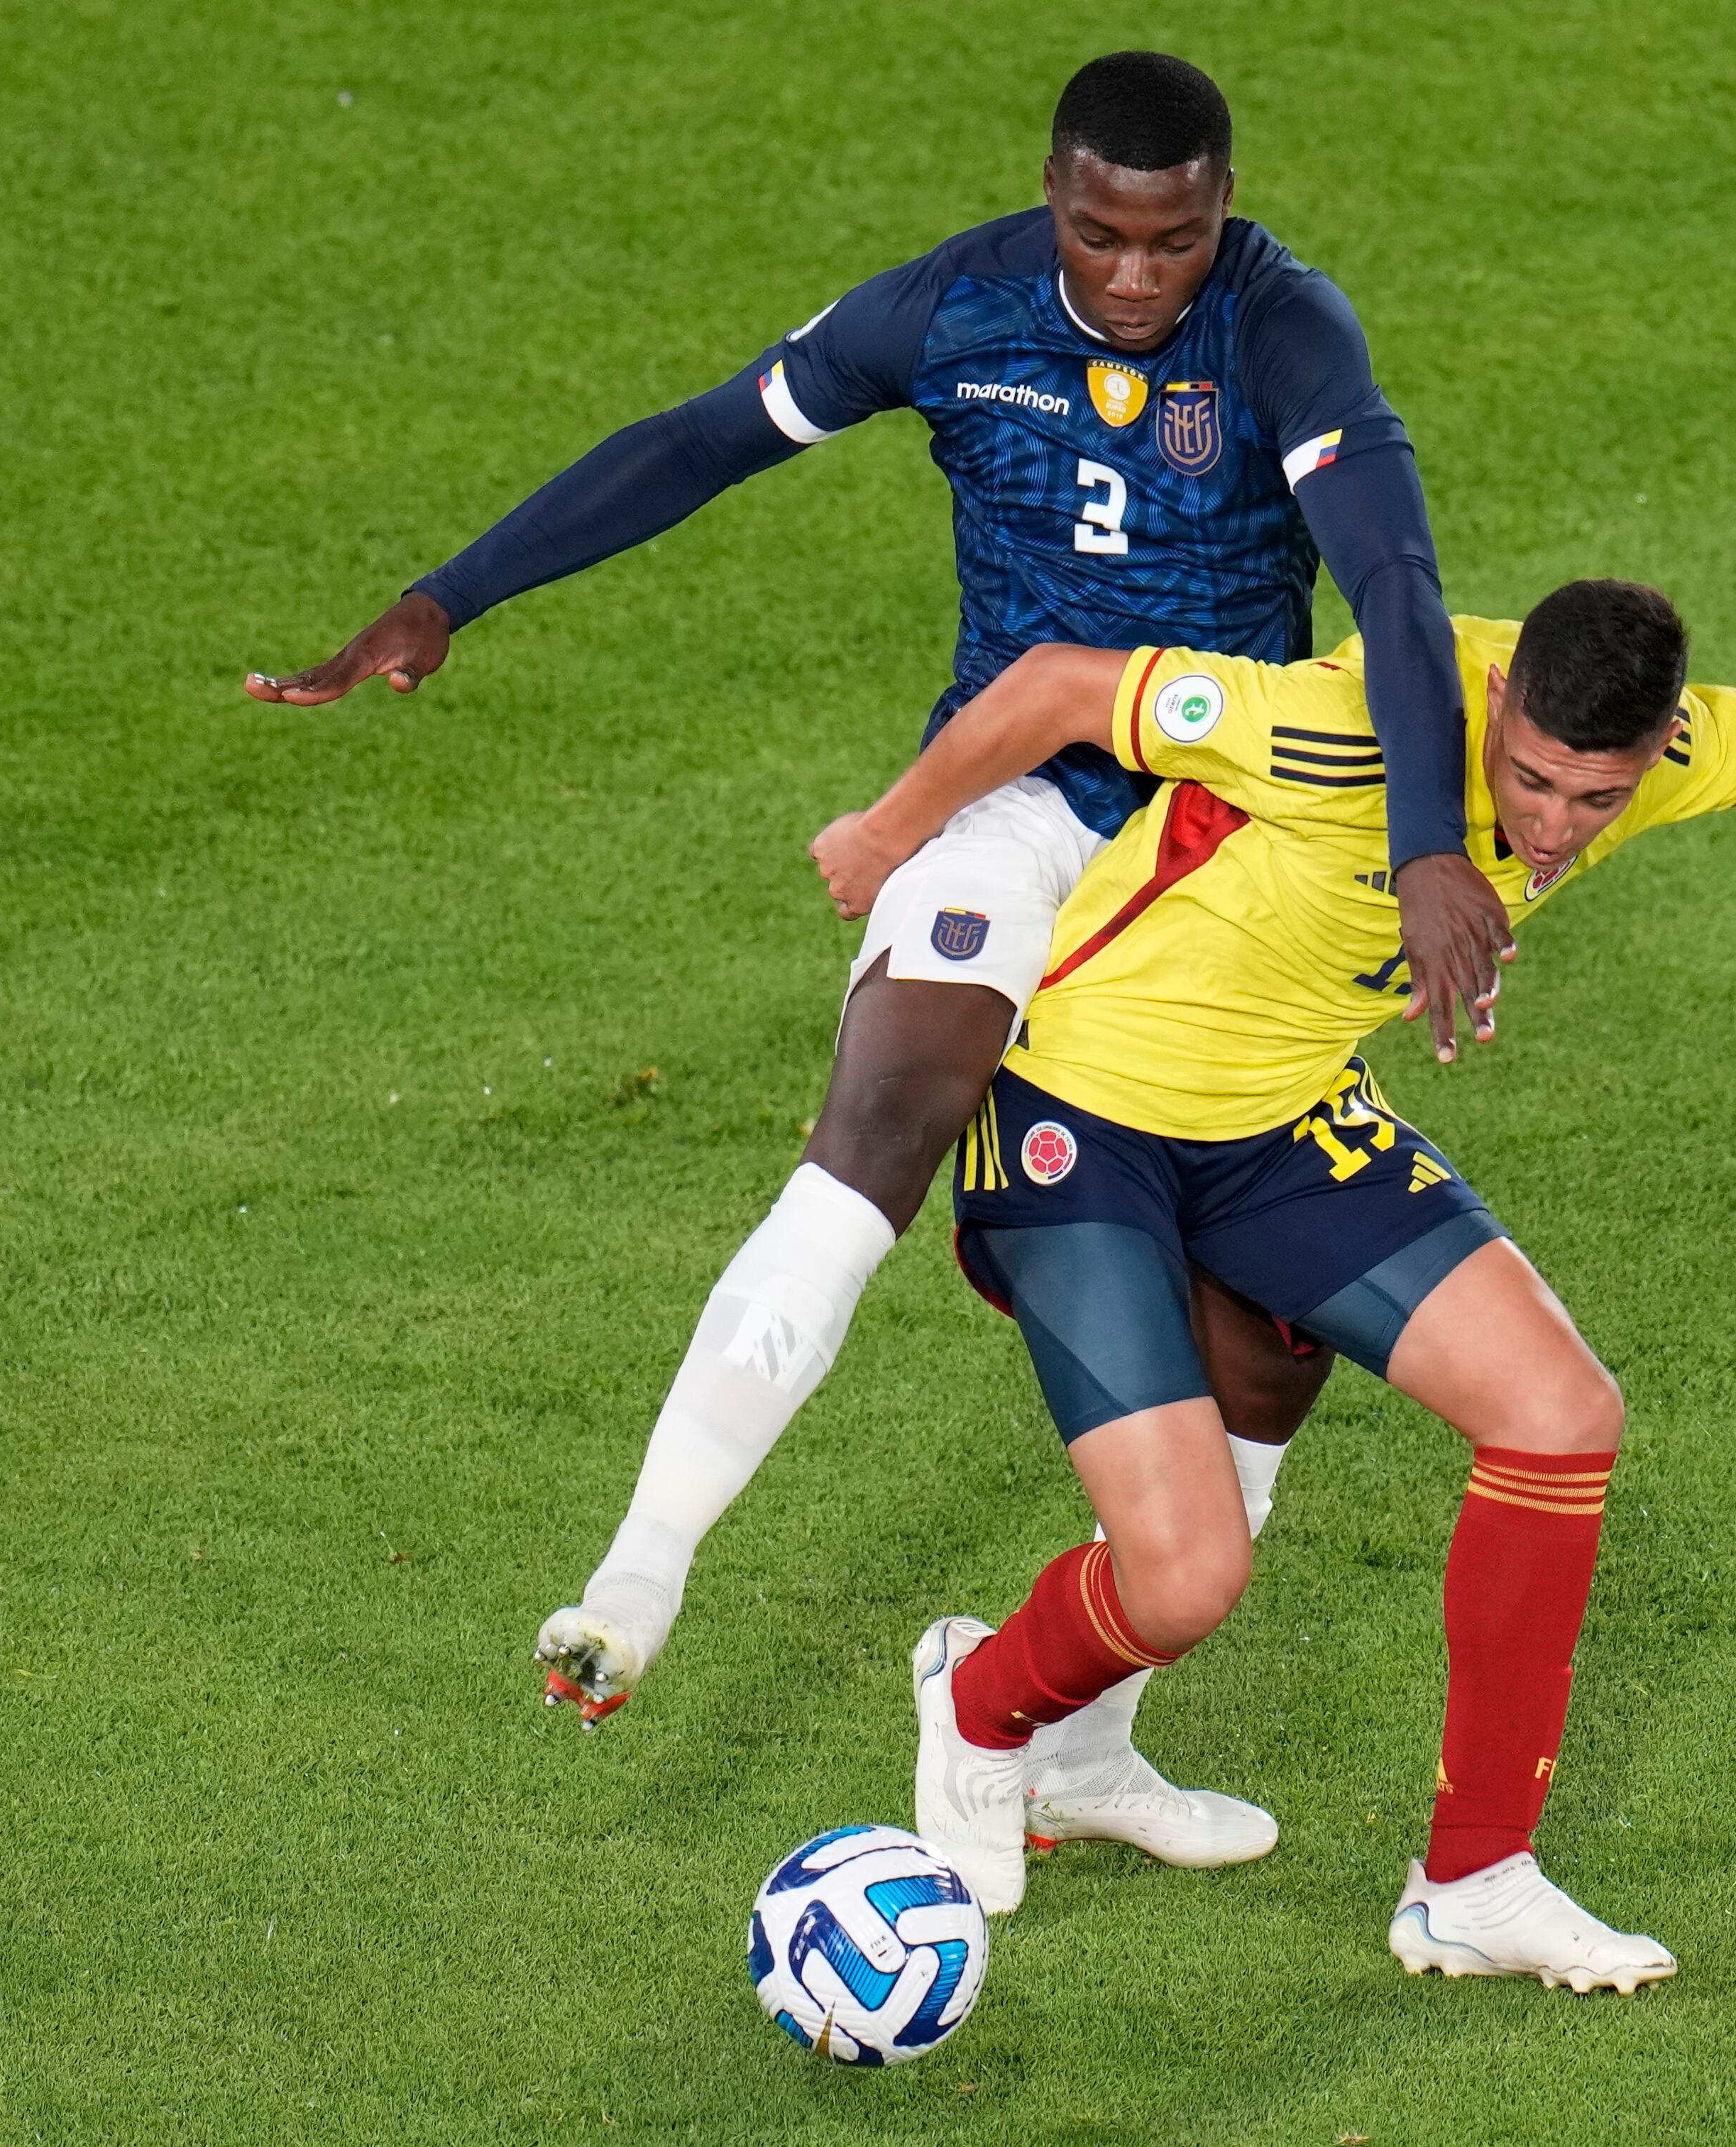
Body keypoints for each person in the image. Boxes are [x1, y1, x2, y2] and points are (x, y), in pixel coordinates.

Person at [243, 53, 1509, 1861]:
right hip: (1008, 797)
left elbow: (1394, 584)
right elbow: (699, 440)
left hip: (1213, 842)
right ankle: (638, 1576)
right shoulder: (952, 305)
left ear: (1220, 210)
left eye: (1179, 238)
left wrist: (1426, 843)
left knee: (1272, 1340)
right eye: (1104, 234)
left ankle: (1083, 1752)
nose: (1144, 275)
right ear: (1052, 199)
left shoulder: (1287, 327)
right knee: (884, 1123)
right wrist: (454, 592)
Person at [806, 578, 1736, 1979]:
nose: (1552, 827)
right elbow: (1052, 685)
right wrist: (885, 833)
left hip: (1273, 1124)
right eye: (1530, 780)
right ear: (1498, 706)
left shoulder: (1658, 757)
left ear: (1649, 757)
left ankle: (1472, 1880)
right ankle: (981, 1705)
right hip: (1082, 1111)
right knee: (1186, 1580)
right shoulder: (1340, 727)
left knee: (1559, 1410)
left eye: (1598, 799)